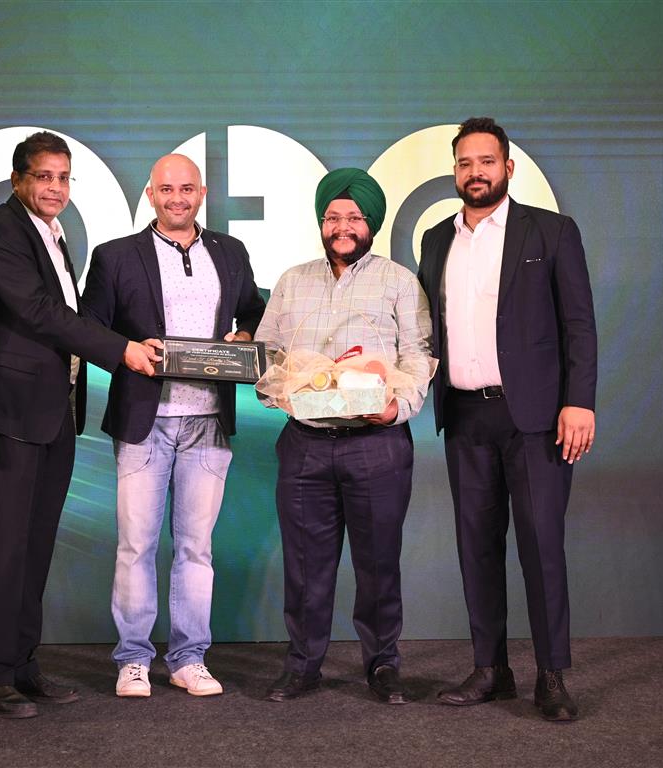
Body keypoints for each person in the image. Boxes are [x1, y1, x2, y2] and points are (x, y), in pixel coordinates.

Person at [0, 131, 161, 719]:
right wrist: (122, 350)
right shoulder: (0, 230)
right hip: (10, 413)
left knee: (36, 546)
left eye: (64, 177)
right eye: (44, 176)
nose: (55, 188)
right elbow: (39, 312)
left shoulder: (51, 232)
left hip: (52, 414)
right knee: (6, 548)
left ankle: (23, 666)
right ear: (18, 179)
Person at [417, 117, 597, 722]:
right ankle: (491, 669)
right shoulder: (435, 240)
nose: (476, 173)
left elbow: (579, 325)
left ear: (508, 168)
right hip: (464, 416)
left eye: (486, 162)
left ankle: (552, 676)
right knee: (476, 547)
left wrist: (580, 401)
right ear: (455, 171)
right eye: (465, 163)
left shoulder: (551, 231)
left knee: (541, 547)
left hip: (537, 420)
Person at [81, 154, 265, 698]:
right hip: (144, 422)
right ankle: (133, 660)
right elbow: (87, 327)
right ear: (150, 194)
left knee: (196, 548)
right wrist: (127, 349)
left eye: (187, 188)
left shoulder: (230, 251)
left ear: (202, 193)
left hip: (209, 421)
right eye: (166, 188)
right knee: (135, 546)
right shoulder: (115, 256)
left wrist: (244, 336)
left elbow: (255, 310)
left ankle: (189, 658)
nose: (177, 197)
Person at [255, 168, 433, 704]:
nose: (343, 227)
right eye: (333, 217)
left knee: (378, 562)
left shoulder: (399, 281)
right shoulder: (293, 281)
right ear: (321, 222)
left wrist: (396, 406)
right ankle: (303, 664)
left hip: (376, 445)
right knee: (305, 566)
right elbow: (267, 354)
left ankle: (383, 665)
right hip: (305, 443)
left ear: (371, 223)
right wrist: (280, 392)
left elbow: (418, 356)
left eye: (354, 217)